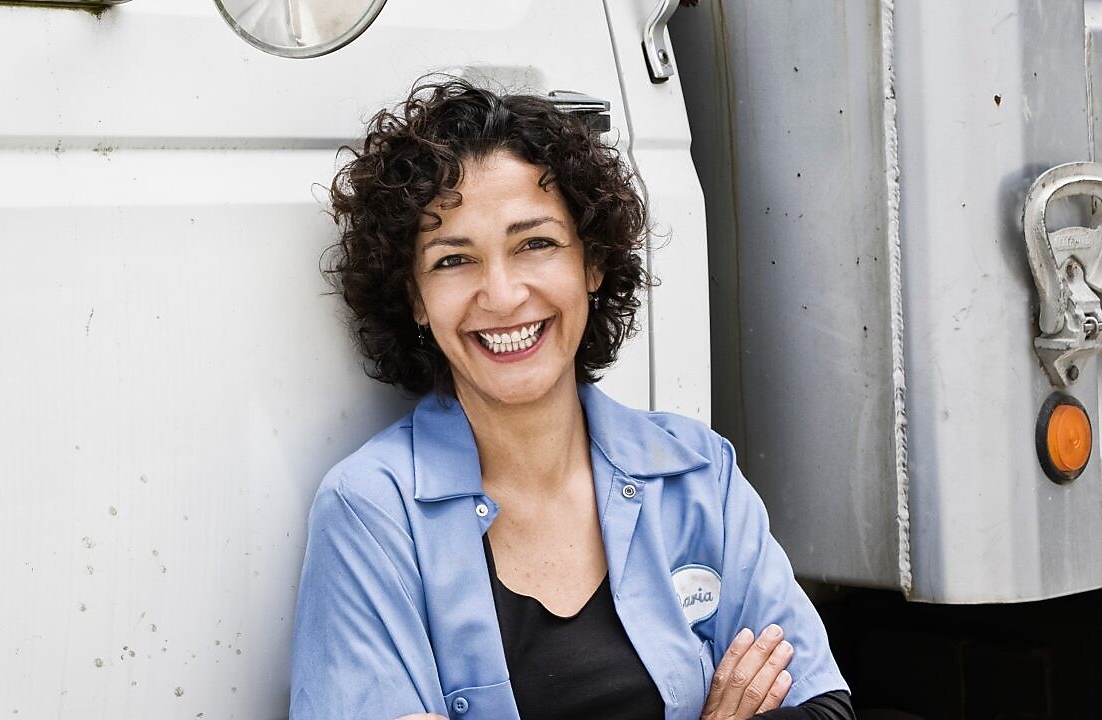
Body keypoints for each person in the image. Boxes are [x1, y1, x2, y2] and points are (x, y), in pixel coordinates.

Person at [290, 77, 853, 720]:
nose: (501, 295)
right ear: (414, 297)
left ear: (593, 264)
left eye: (535, 244)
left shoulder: (699, 471)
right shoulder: (370, 510)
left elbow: (820, 705)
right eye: (453, 260)